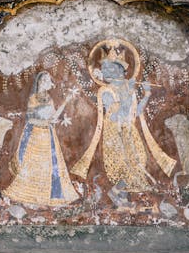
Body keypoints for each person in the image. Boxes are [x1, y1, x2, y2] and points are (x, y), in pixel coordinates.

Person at [71, 43, 176, 192]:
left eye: (109, 67)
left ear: (121, 70)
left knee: (139, 157)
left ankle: (130, 189)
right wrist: (127, 93)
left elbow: (136, 112)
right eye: (104, 68)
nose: (104, 70)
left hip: (128, 128)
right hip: (115, 130)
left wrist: (146, 95)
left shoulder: (129, 89)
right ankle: (117, 191)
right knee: (121, 162)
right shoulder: (105, 90)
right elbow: (117, 112)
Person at [3, 71, 79, 206]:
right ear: (38, 82)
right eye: (43, 79)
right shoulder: (33, 98)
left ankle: (45, 195)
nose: (45, 82)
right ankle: (31, 195)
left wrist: (66, 101)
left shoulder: (49, 99)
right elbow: (31, 119)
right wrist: (45, 123)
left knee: (49, 166)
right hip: (35, 135)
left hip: (47, 135)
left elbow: (54, 117)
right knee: (32, 165)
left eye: (47, 80)